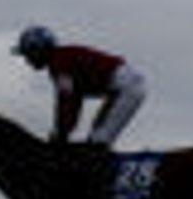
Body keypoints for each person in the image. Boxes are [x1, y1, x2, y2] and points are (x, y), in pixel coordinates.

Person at [13, 26, 147, 148]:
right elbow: (74, 101)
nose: (27, 60)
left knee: (99, 140)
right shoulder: (61, 59)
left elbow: (67, 100)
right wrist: (62, 132)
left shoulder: (59, 63)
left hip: (126, 88)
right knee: (95, 134)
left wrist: (60, 134)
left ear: (39, 50)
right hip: (122, 88)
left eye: (28, 54)